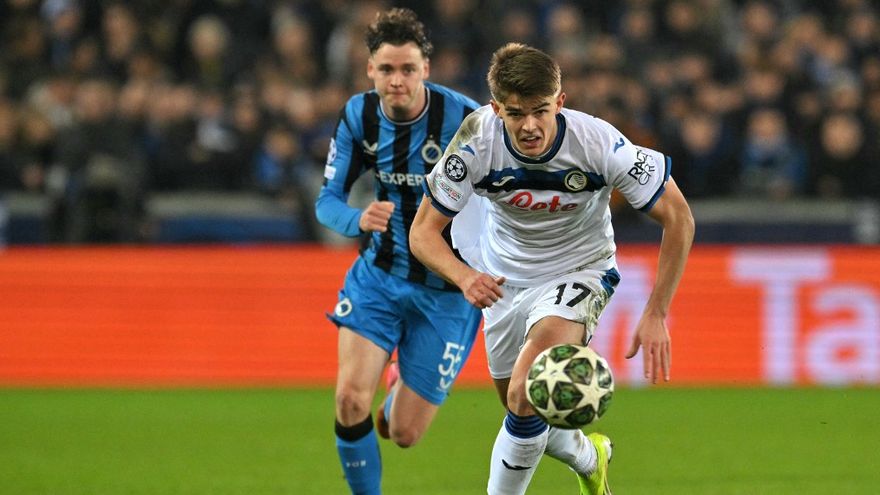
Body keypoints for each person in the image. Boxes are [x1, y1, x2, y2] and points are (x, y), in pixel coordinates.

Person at [410, 43, 695, 495]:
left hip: (579, 270)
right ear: (496, 109)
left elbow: (678, 217)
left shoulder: (599, 143)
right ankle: (590, 458)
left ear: (560, 102)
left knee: (525, 394)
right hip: (503, 281)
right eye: (515, 113)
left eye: (540, 111)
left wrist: (657, 311)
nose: (529, 126)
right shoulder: (475, 142)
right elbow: (423, 232)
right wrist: (465, 277)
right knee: (525, 408)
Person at [314, 8, 482, 495]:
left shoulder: (466, 120)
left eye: (408, 69)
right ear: (369, 69)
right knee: (349, 400)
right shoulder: (359, 115)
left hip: (448, 290)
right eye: (386, 69)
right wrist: (357, 220)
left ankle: (399, 391)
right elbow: (327, 201)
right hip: (380, 276)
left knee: (403, 433)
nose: (397, 80)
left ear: (426, 69)